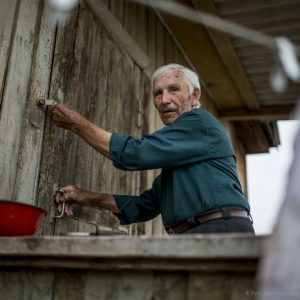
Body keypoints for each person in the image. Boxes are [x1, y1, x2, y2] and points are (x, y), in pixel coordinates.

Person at [52, 63, 255, 234]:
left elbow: (134, 154)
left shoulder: (199, 122)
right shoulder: (181, 153)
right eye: (158, 93)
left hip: (220, 230)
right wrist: (85, 197)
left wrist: (75, 124)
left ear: (195, 95)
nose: (164, 100)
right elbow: (144, 206)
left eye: (174, 89)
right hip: (196, 235)